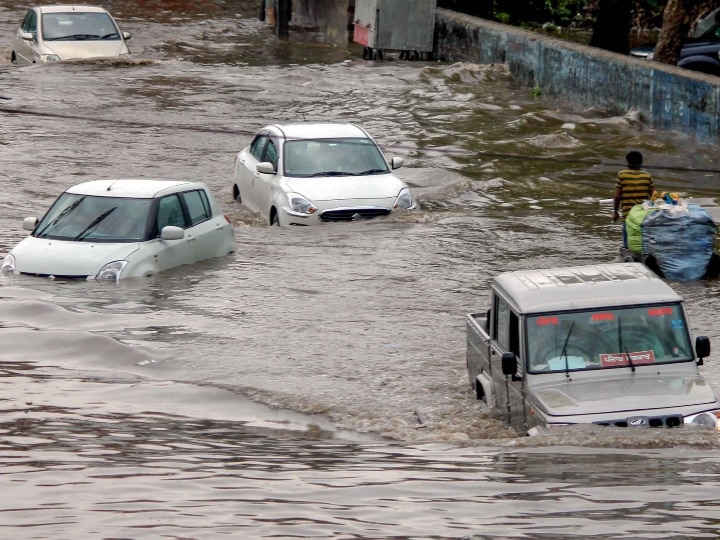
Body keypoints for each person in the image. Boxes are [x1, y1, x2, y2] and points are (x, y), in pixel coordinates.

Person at [612, 150, 654, 248]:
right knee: (641, 245)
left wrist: (615, 212)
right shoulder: (647, 176)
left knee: (628, 246)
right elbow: (654, 196)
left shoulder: (622, 175)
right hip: (643, 218)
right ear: (641, 162)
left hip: (628, 217)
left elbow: (618, 196)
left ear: (628, 162)